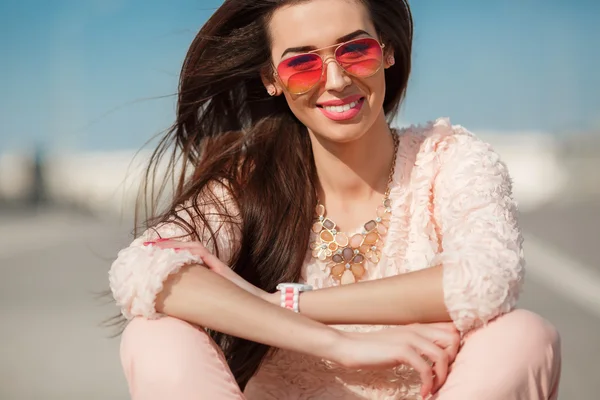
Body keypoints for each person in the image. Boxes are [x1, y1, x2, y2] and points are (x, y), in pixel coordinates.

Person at [108, 0, 562, 398]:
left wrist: (283, 304)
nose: (336, 79)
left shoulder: (447, 160)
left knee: (522, 336)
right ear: (272, 79)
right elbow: (141, 270)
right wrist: (338, 344)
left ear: (386, 51)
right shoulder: (250, 180)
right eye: (302, 64)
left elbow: (486, 278)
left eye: (355, 50)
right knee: (153, 336)